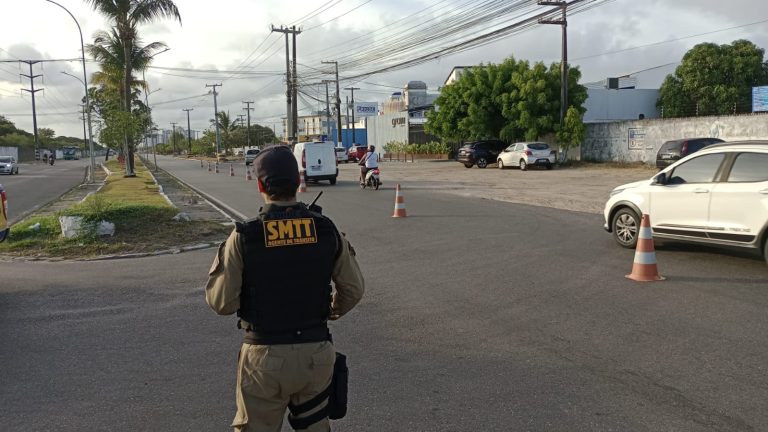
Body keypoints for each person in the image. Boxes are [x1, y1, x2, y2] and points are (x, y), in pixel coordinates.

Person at [206, 145, 365, 432]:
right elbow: (353, 290)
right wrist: (330, 312)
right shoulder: (325, 229)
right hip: (315, 354)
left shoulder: (245, 236)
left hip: (264, 357)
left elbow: (222, 304)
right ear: (298, 181)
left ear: (259, 185)